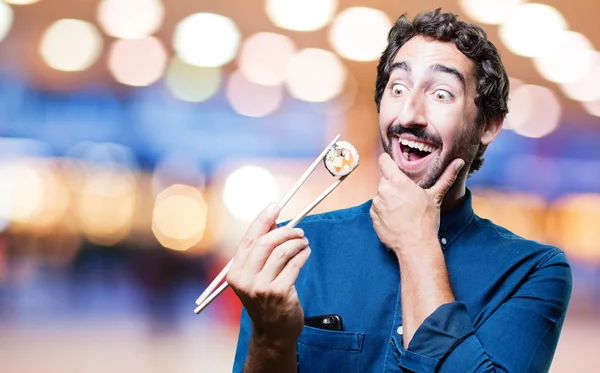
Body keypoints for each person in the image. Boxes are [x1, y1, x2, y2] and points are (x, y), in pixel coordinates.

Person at [228, 9, 572, 373]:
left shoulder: (532, 271)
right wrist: (271, 338)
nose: (409, 114)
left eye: (441, 94)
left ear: (487, 125)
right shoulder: (298, 249)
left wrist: (417, 245)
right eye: (398, 88)